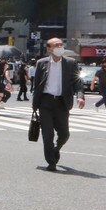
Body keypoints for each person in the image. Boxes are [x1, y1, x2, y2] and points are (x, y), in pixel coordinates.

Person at [31, 38, 85, 171]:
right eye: (56, 45)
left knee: (64, 134)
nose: (60, 47)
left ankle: (56, 148)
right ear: (49, 49)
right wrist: (35, 103)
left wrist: (80, 96)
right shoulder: (41, 63)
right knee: (47, 134)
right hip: (45, 102)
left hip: (62, 102)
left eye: (61, 45)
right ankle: (51, 161)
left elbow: (77, 82)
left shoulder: (70, 63)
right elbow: (36, 84)